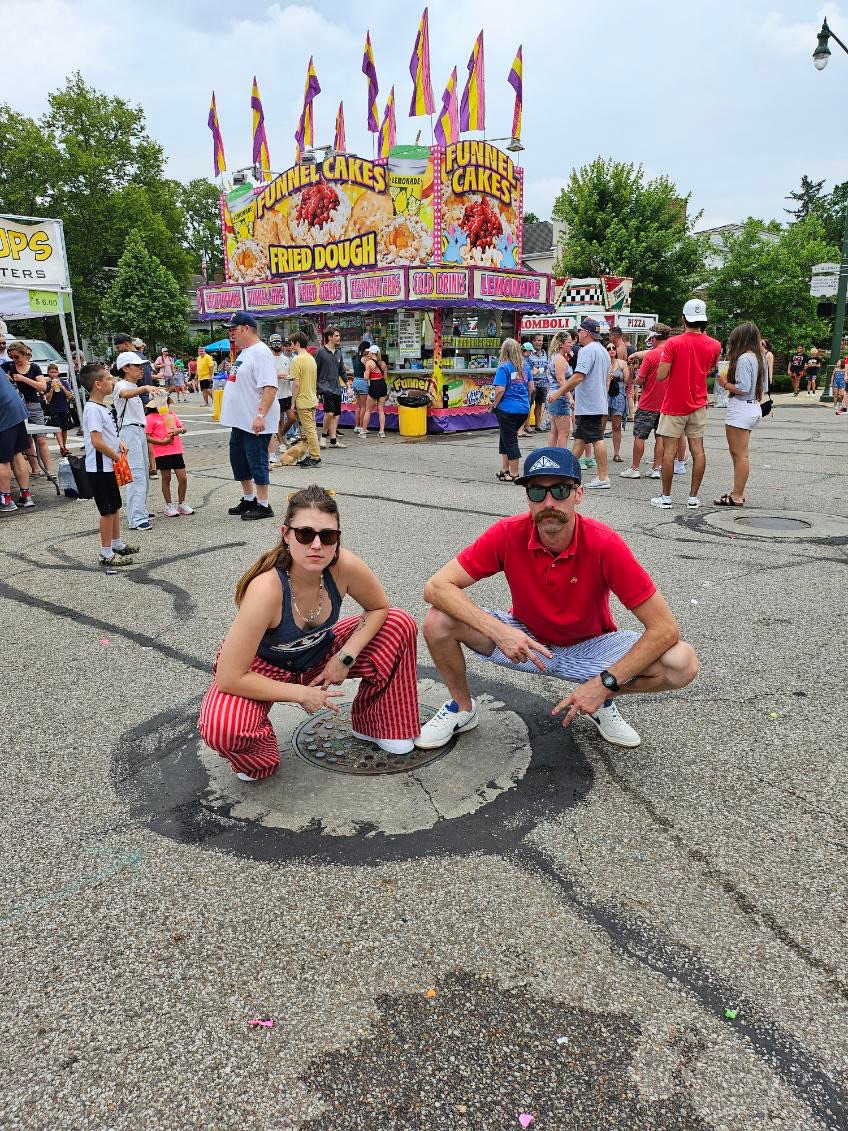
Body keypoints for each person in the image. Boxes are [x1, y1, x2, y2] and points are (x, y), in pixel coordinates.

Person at [415, 446, 699, 751]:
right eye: (537, 492)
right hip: (528, 641)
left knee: (681, 662)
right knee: (438, 620)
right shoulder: (508, 533)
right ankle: (462, 707)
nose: (549, 502)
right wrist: (500, 631)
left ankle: (601, 699)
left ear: (579, 494)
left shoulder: (605, 543)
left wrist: (604, 684)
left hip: (592, 645)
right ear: (527, 498)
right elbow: (436, 587)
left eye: (561, 490)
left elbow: (665, 628)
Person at [197, 484, 420, 779]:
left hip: (319, 652)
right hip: (261, 668)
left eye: (327, 536)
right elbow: (229, 677)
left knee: (399, 623)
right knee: (223, 727)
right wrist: (300, 693)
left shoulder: (344, 566)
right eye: (305, 534)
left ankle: (378, 724)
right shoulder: (266, 589)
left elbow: (379, 607)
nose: (317, 545)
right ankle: (258, 755)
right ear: (286, 534)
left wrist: (345, 657)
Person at [650, 299, 721, 510]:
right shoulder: (715, 345)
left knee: (669, 451)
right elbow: (708, 368)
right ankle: (692, 498)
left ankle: (666, 497)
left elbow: (662, 375)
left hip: (674, 404)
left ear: (684, 319)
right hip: (699, 403)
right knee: (698, 450)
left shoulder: (673, 343)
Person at [222, 312, 281, 521]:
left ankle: (264, 504)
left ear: (246, 328)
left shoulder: (261, 352)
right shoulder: (245, 352)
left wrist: (260, 414)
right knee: (239, 460)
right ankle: (249, 499)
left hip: (254, 420)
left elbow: (270, 387)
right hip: (240, 420)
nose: (231, 335)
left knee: (256, 459)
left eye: (233, 330)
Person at [80, 363, 139, 569]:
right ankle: (105, 553)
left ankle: (117, 543)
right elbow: (96, 441)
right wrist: (114, 454)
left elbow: (106, 434)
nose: (112, 382)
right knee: (106, 510)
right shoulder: (93, 409)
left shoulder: (100, 407)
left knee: (114, 506)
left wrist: (118, 442)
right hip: (99, 468)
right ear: (98, 384)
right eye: (108, 379)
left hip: (106, 466)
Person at [712, 321, 766, 506]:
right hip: (753, 406)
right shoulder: (760, 358)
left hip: (741, 407)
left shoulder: (744, 359)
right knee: (740, 453)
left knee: (739, 454)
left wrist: (724, 383)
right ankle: (737, 492)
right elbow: (763, 386)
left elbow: (743, 388)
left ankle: (737, 495)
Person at [559, 317, 611, 490]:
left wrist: (560, 392)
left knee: (596, 438)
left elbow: (578, 376)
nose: (578, 334)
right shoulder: (602, 350)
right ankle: (566, 474)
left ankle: (603, 477)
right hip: (595, 401)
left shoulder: (587, 350)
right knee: (580, 439)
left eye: (580, 330)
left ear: (587, 333)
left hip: (590, 403)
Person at [113, 351, 159, 532]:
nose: (141, 369)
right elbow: (124, 393)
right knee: (137, 474)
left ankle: (140, 511)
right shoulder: (121, 385)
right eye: (137, 366)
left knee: (144, 473)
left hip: (138, 430)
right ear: (125, 368)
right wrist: (145, 388)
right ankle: (136, 518)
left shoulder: (133, 386)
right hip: (129, 431)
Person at [620, 325, 670, 479]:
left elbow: (640, 380)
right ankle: (656, 468)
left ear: (654, 338)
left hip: (648, 402)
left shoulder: (651, 356)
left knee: (640, 436)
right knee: (660, 437)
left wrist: (635, 371)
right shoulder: (672, 352)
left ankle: (634, 468)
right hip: (666, 402)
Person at [2, 341, 53, 480]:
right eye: (11, 357)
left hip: (33, 405)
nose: (14, 360)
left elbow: (43, 387)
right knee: (27, 440)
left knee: (41, 439)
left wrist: (24, 379)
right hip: (17, 408)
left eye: (17, 357)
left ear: (25, 355)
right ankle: (35, 469)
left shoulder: (34, 368)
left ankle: (49, 471)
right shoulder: (8, 366)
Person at [492, 338, 534, 482]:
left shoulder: (503, 367)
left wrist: (494, 405)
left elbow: (500, 390)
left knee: (510, 440)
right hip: (522, 409)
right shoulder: (525, 367)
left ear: (504, 350)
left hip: (506, 409)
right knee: (505, 438)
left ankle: (514, 474)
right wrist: (526, 403)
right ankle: (505, 469)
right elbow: (531, 388)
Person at [145, 396, 194, 516]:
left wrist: (180, 430)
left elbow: (183, 428)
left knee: (183, 478)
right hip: (162, 452)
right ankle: (168, 504)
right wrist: (162, 442)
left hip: (176, 450)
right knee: (166, 478)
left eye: (166, 403)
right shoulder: (150, 418)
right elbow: (146, 436)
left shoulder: (171, 414)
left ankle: (181, 503)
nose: (165, 405)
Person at [0, 359, 33, 514]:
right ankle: (26, 495)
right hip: (15, 409)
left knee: (2, 459)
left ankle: (5, 499)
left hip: (3, 412)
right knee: (17, 453)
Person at [290, 330, 322, 468]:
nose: (290, 346)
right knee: (311, 429)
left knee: (309, 430)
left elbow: (296, 384)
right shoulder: (310, 358)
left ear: (297, 343)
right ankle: (312, 455)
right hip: (311, 397)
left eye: (291, 344)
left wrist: (293, 402)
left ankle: (315, 457)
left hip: (303, 399)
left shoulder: (296, 360)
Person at [316, 327, 349, 450]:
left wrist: (348, 386)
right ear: (329, 337)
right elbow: (316, 371)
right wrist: (316, 389)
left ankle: (334, 440)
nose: (339, 338)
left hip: (336, 387)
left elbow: (342, 371)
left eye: (338, 335)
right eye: (336, 336)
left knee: (335, 415)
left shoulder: (339, 352)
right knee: (329, 413)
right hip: (324, 386)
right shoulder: (320, 352)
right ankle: (323, 437)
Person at [545, 336, 574, 449]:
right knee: (564, 433)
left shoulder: (555, 357)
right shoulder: (560, 359)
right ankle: (561, 459)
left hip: (554, 395)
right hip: (560, 397)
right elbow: (561, 381)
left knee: (554, 431)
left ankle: (552, 456)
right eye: (569, 342)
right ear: (561, 344)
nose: (571, 345)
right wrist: (570, 397)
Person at [43, 363, 74, 456]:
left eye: (55, 372)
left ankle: (64, 446)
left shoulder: (64, 382)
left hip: (64, 408)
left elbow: (70, 397)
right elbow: (48, 399)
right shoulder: (47, 384)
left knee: (64, 429)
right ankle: (62, 447)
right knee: (57, 428)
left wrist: (62, 387)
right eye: (51, 372)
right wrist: (52, 389)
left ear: (58, 373)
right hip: (54, 409)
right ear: (48, 373)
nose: (54, 374)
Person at [605, 341, 629, 463]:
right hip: (605, 395)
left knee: (616, 426)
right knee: (601, 426)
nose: (612, 350)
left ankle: (616, 453)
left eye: (614, 348)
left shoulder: (622, 363)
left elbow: (628, 381)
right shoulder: (603, 363)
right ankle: (599, 452)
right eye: (608, 348)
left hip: (618, 395)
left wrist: (630, 370)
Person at [363, 344, 389, 439]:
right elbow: (385, 377)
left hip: (374, 385)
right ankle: (382, 431)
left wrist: (365, 373)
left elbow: (366, 377)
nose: (368, 353)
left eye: (369, 351)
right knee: (381, 409)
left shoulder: (369, 363)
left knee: (368, 410)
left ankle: (363, 431)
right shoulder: (383, 363)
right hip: (382, 385)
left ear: (372, 352)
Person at [527, 334, 550, 432]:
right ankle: (527, 425)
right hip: (532, 382)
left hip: (543, 382)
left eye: (541, 340)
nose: (540, 342)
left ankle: (537, 424)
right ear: (533, 341)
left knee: (540, 404)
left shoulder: (545, 353)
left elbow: (547, 366)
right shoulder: (530, 354)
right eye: (538, 340)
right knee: (529, 404)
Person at [351, 341, 371, 436]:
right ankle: (363, 427)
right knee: (364, 407)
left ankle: (357, 426)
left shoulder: (354, 357)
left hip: (355, 381)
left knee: (358, 407)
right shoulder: (364, 359)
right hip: (362, 382)